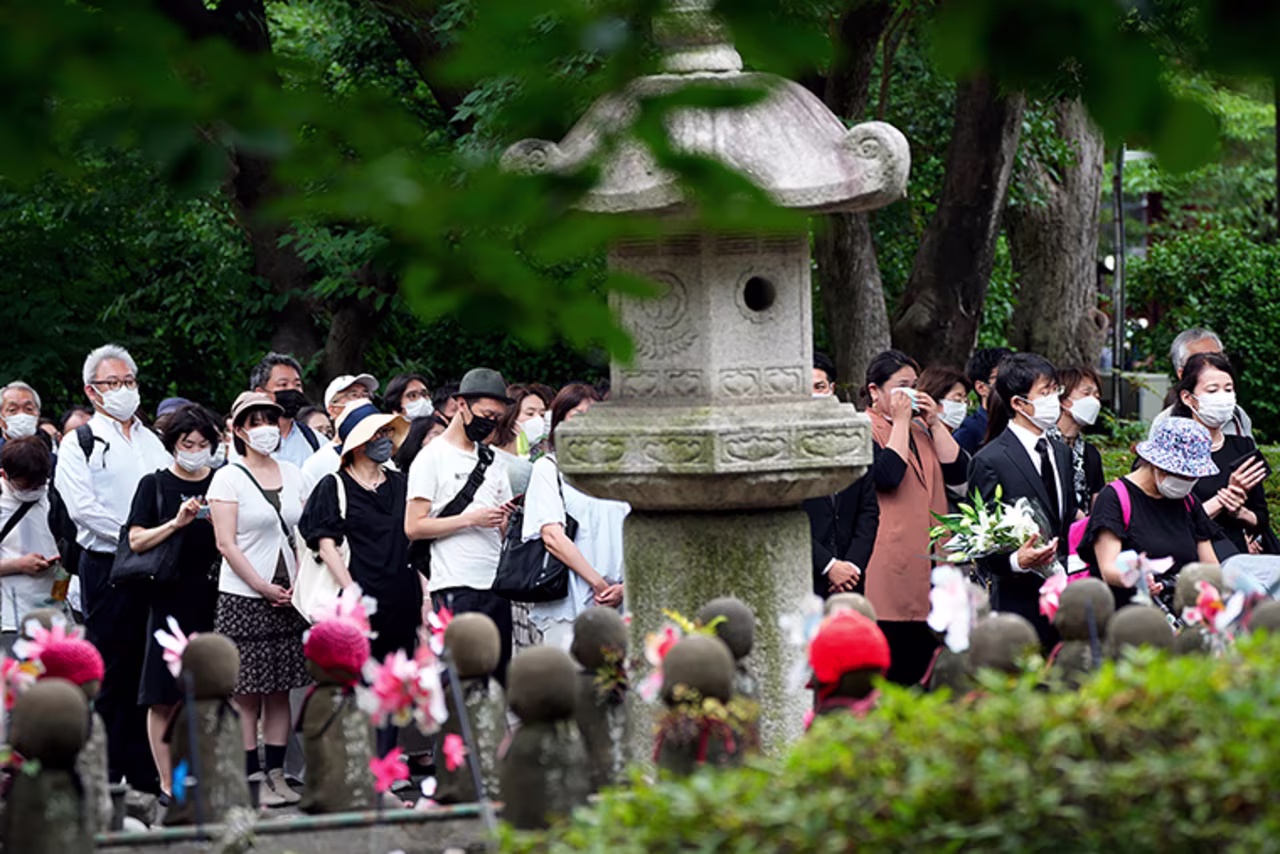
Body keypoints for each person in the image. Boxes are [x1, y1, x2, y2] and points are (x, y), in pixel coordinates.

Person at [54, 343, 172, 794]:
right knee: (110, 673)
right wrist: (135, 535)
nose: (123, 390)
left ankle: (144, 774)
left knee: (149, 673)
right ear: (92, 390)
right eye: (112, 383)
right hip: (107, 567)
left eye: (129, 381)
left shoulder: (153, 440)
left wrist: (159, 536)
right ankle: (103, 777)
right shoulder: (79, 442)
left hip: (157, 568)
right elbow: (82, 510)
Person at [208, 391, 310, 808]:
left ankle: (278, 773)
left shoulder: (294, 472)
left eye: (270, 419)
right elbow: (226, 544)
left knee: (281, 691)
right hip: (244, 596)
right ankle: (251, 777)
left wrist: (299, 584)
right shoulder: (227, 478)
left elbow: (306, 534)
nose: (264, 427)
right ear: (238, 429)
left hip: (291, 594)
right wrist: (262, 587)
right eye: (254, 421)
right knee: (247, 693)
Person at [126, 404, 222, 804]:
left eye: (203, 443)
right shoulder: (155, 484)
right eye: (188, 443)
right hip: (169, 597)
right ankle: (167, 783)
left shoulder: (222, 482)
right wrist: (175, 523)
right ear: (173, 444)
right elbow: (135, 540)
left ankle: (203, 774)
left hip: (214, 595)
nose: (195, 449)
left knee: (206, 692)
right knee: (163, 693)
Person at [861, 350, 967, 685]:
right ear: (875, 391)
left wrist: (933, 421)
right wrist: (902, 422)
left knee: (928, 663)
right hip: (889, 562)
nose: (909, 394)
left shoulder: (924, 430)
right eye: (901, 386)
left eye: (914, 386)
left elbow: (960, 471)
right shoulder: (864, 427)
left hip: (933, 562)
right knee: (893, 660)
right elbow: (887, 475)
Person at [405, 368, 516, 682]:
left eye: (497, 417)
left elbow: (503, 523)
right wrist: (470, 519)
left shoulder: (493, 460)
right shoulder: (431, 457)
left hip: (495, 584)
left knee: (498, 680)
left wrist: (505, 518)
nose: (491, 422)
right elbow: (413, 527)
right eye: (486, 414)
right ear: (462, 405)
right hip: (455, 585)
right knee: (462, 681)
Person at [969, 353, 1078, 650]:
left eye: (1054, 391)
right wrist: (1017, 561)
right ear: (1017, 403)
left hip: (1062, 600)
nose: (1053, 400)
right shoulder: (990, 461)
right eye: (1044, 393)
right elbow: (981, 545)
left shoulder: (1061, 452)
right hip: (1018, 604)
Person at [300, 403, 420, 662]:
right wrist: (353, 595)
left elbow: (416, 543)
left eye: (388, 431)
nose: (385, 439)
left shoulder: (401, 483)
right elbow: (326, 546)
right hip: (359, 603)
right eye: (377, 433)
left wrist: (427, 596)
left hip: (403, 600)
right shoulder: (333, 485)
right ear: (358, 442)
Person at [521, 384, 628, 650]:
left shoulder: (622, 470)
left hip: (624, 600)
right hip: (571, 598)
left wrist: (624, 588)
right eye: (577, 415)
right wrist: (600, 585)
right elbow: (553, 536)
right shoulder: (549, 469)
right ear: (560, 422)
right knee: (569, 684)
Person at [1077, 417, 1218, 610]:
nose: (1189, 480)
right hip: (1133, 620)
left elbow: (1211, 567)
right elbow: (1108, 568)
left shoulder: (1188, 502)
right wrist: (1136, 578)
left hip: (1184, 617)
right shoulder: (1115, 498)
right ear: (1156, 464)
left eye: (1194, 475)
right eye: (1182, 474)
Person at [1169, 353, 1271, 558]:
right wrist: (1225, 497)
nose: (1223, 397)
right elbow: (1166, 522)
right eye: (1212, 390)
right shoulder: (1170, 451)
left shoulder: (1244, 447)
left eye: (1229, 389)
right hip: (1190, 558)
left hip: (1239, 557)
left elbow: (1261, 517)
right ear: (1188, 398)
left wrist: (1240, 512)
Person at [805, 353, 879, 598]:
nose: (815, 395)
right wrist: (828, 566)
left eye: (820, 387)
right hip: (806, 577)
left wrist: (852, 567)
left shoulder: (854, 440)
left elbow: (868, 511)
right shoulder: (783, 447)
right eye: (808, 389)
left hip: (851, 578)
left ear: (832, 389)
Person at [0, 437, 58, 652]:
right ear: (5, 474)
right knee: (21, 679)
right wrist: (18, 565)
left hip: (55, 613)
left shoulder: (55, 495)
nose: (34, 490)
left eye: (39, 483)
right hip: (12, 618)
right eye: (25, 485)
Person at [1150, 328, 1253, 437]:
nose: (1212, 366)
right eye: (1199, 362)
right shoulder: (1166, 423)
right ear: (1182, 374)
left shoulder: (1237, 416)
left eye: (1217, 358)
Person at [300, 374, 379, 496]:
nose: (363, 401)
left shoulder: (380, 454)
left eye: (365, 395)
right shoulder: (317, 464)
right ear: (332, 409)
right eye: (353, 395)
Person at [247, 352, 322, 467]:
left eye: (297, 384)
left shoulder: (316, 441)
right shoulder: (246, 443)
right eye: (283, 384)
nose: (293, 389)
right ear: (261, 393)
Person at [1048, 365, 1105, 514]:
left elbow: (1096, 503)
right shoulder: (1043, 446)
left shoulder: (1090, 454)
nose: (1093, 401)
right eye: (1087, 393)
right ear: (1063, 399)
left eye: (1097, 396)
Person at [952, 347, 1012, 454]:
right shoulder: (968, 432)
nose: (1014, 384)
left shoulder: (1022, 424)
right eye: (1004, 377)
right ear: (981, 388)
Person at [0, 381, 42, 448]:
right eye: (12, 410)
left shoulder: (50, 457)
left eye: (29, 409)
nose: (22, 414)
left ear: (38, 416)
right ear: (1, 420)